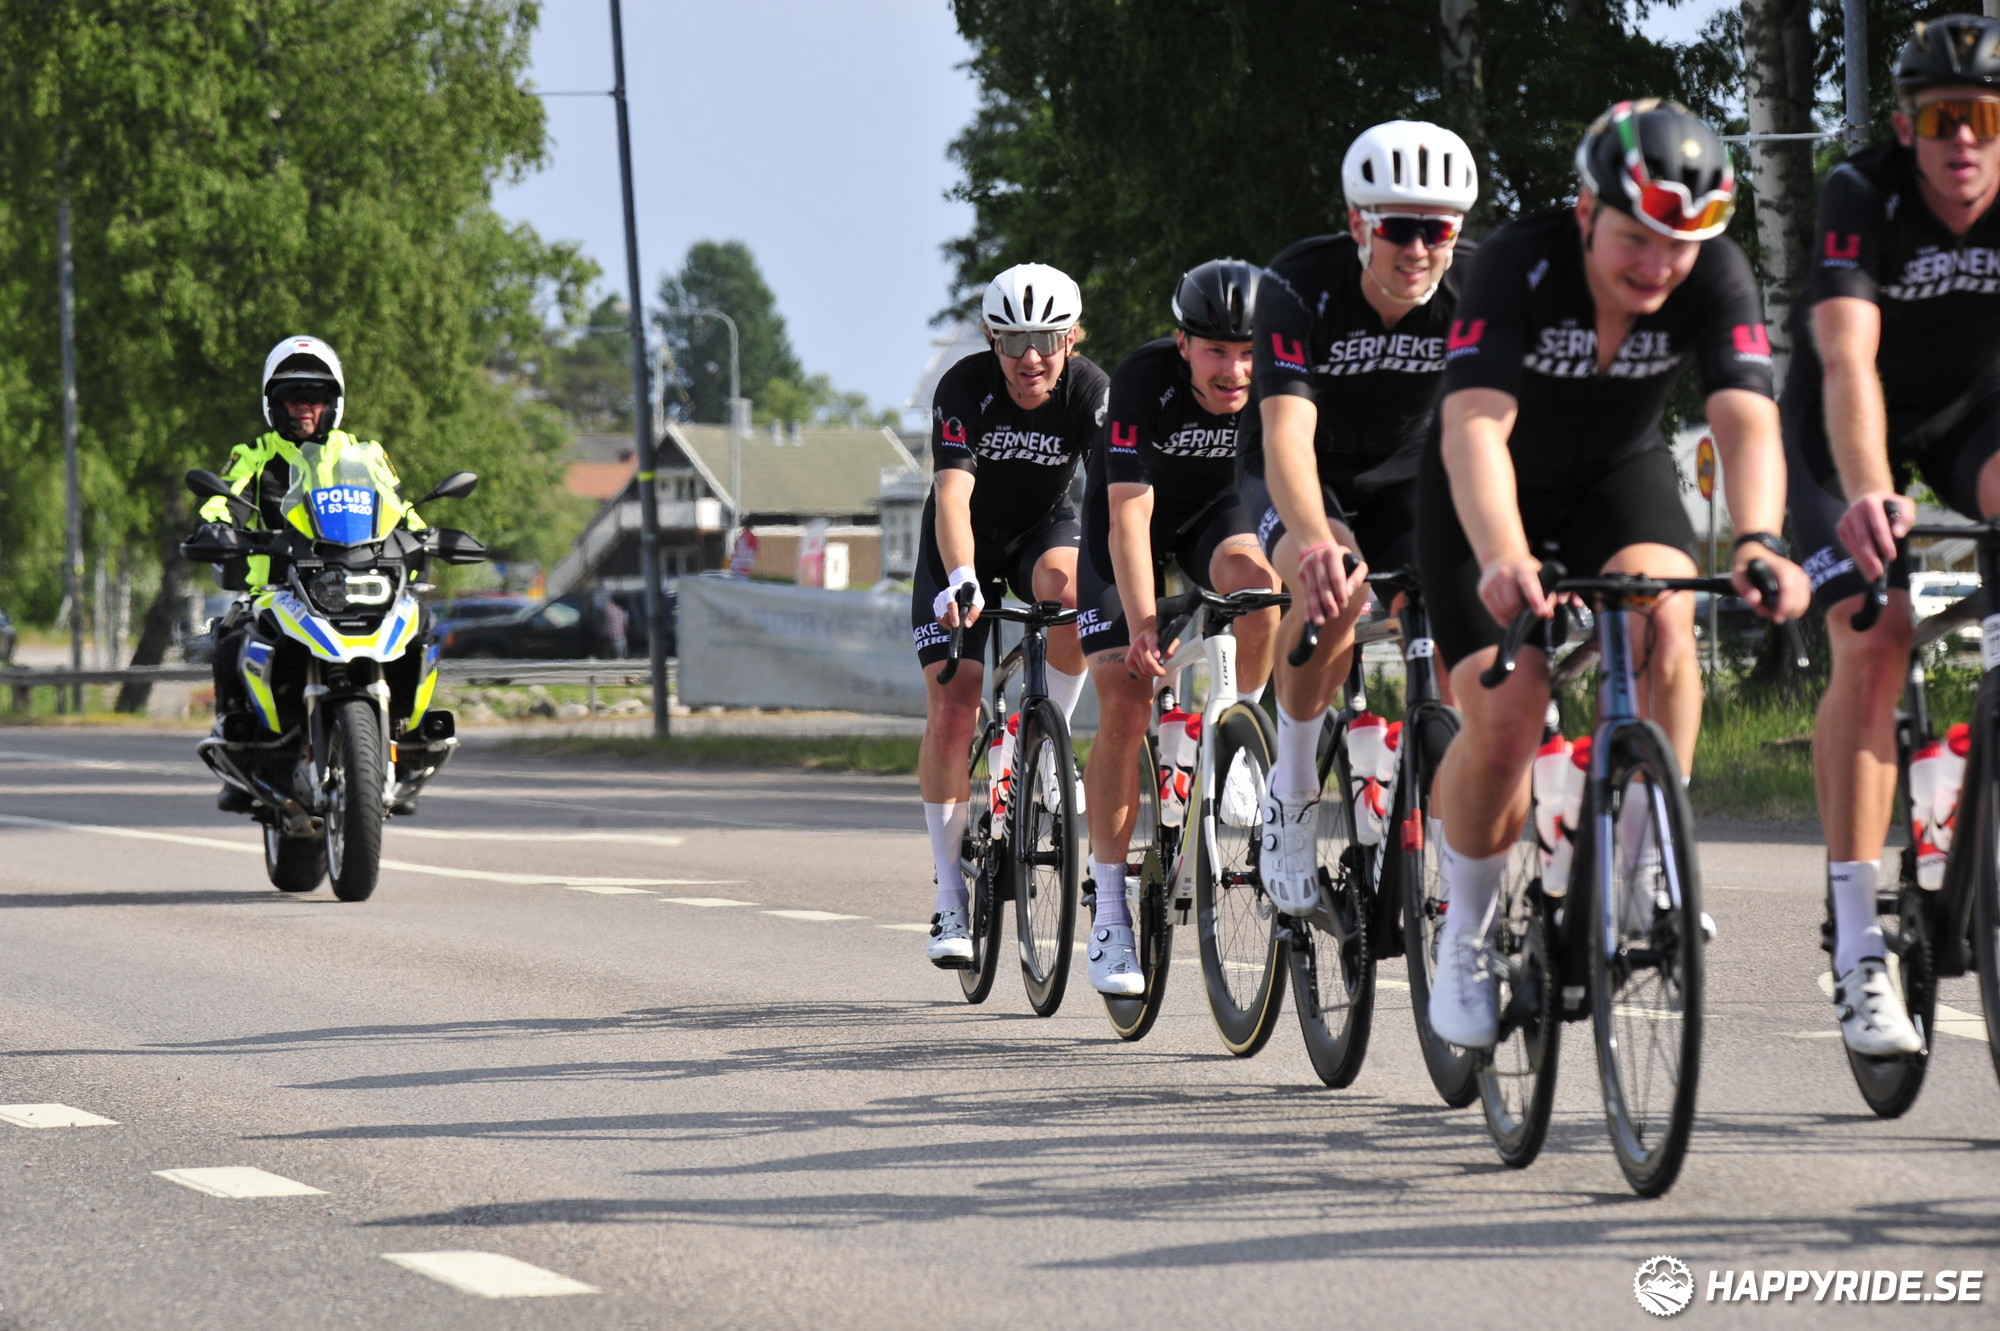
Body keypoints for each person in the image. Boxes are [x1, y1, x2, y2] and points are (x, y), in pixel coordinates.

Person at [1418, 100, 1810, 1048]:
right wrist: (1503, 553)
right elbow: (1475, 426)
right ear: (1588, 211)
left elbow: (1746, 417)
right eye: (1636, 238)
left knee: (1662, 617)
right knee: (1509, 714)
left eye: (1680, 244)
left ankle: (1642, 857)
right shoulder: (1519, 262)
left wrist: (1758, 538)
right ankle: (1464, 929)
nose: (1658, 265)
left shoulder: (1715, 270)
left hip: (1614, 478)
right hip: (1487, 487)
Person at [1783, 14, 2000, 1054]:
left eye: (1983, 119)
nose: (1961, 139)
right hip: (1842, 425)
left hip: (1971, 418)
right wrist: (1870, 490)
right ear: (1905, 125)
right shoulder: (1859, 193)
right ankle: (1859, 936)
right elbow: (1844, 359)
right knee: (1875, 635)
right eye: (1940, 116)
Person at [1241, 120, 1481, 917]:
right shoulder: (1298, 284)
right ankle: (1292, 793)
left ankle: (1455, 872)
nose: (1417, 249)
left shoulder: (1476, 287)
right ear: (1358, 222)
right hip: (1301, 471)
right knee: (1333, 592)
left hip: (1409, 479)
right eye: (1398, 229)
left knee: (1460, 630)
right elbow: (1286, 435)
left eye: (1437, 230)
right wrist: (1315, 541)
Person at [1075, 260, 1281, 995]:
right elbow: (1129, 519)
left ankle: (1240, 740)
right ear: (1183, 343)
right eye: (1217, 350)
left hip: (1213, 521)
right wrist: (1141, 625)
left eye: (1249, 351)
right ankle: (1109, 909)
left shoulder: (1279, 380)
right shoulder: (1143, 380)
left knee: (1261, 590)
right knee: (1126, 701)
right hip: (1127, 525)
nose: (1235, 370)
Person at [914, 263, 1108, 966]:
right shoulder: (964, 387)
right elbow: (952, 496)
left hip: (1040, 531)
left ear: (1072, 339)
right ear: (992, 340)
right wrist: (962, 578)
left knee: (1076, 593)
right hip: (960, 541)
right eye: (1014, 340)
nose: (1031, 357)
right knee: (954, 705)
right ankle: (949, 897)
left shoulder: (1090, 391)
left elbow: (1115, 494)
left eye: (1047, 339)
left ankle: (1043, 743)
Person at [195, 336, 430, 809]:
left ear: (333, 404)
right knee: (232, 638)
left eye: (315, 398)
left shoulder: (364, 454)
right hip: (278, 585)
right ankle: (241, 745)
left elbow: (399, 506)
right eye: (292, 398)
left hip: (356, 578)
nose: (304, 408)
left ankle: (407, 741)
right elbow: (223, 499)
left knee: (418, 625)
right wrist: (216, 525)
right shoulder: (254, 454)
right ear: (273, 404)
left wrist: (425, 534)